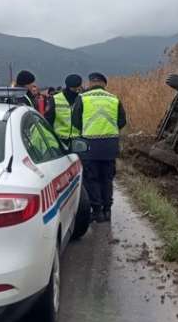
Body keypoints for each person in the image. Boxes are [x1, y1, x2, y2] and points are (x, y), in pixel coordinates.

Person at [71, 72, 126, 223]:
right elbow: (122, 121)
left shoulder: (82, 98)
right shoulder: (114, 99)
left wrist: (87, 130)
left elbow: (75, 121)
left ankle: (97, 211)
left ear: (90, 83)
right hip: (110, 146)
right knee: (107, 178)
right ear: (104, 84)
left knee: (92, 179)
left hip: (90, 146)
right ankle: (107, 210)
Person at [46, 74, 83, 147]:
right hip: (59, 141)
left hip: (77, 141)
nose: (76, 90)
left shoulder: (82, 99)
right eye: (74, 88)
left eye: (77, 87)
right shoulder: (55, 99)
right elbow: (48, 120)